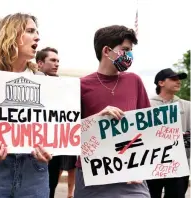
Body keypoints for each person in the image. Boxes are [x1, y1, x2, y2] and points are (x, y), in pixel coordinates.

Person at [0, 13, 52, 198]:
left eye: (37, 32)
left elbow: (51, 126)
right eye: (31, 31)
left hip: (34, 172)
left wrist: (50, 147)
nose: (37, 37)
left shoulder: (42, 80)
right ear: (12, 34)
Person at [74, 25, 151, 198]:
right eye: (125, 50)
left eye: (130, 51)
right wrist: (96, 118)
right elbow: (70, 131)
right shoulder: (81, 85)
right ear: (107, 51)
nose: (129, 55)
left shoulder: (134, 81)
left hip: (131, 174)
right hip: (92, 174)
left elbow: (148, 126)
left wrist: (143, 166)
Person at [36, 47, 76, 198]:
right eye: (52, 60)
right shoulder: (31, 82)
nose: (56, 64)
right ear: (40, 63)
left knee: (51, 184)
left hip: (54, 144)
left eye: (58, 61)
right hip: (33, 144)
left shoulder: (63, 86)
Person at [146, 68, 190, 198]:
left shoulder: (188, 106)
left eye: (179, 79)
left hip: (179, 167)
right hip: (151, 165)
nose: (178, 82)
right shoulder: (146, 105)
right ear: (161, 83)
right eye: (173, 79)